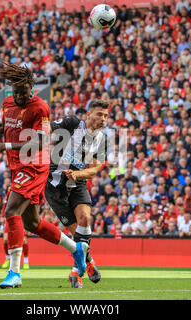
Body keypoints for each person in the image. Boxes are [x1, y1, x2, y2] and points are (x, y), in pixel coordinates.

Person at [0, 62, 88, 289]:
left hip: (35, 165)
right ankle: (76, 249)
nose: (18, 97)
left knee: (10, 210)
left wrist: (4, 146)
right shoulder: (8, 102)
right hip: (17, 165)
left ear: (31, 89)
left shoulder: (40, 107)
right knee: (33, 223)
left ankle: (14, 273)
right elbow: (4, 125)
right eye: (15, 92)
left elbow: (40, 141)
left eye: (23, 92)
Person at [45, 99, 108, 288]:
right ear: (88, 114)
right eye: (99, 114)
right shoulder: (72, 124)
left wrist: (77, 174)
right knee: (78, 237)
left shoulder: (101, 139)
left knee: (86, 220)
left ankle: (75, 273)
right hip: (55, 187)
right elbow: (47, 127)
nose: (103, 119)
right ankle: (89, 262)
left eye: (105, 116)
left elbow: (96, 168)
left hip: (78, 182)